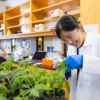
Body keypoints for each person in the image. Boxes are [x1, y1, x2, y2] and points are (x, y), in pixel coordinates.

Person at [55, 14, 100, 100]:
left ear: (79, 27)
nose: (70, 42)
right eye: (65, 40)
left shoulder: (97, 41)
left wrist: (84, 61)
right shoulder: (71, 48)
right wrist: (67, 73)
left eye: (70, 36)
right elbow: (75, 77)